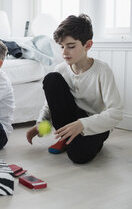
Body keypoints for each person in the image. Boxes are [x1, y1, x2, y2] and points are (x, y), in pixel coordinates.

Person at [26, 14, 123, 164]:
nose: (64, 52)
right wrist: (41, 122)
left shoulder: (102, 70)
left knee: (78, 156)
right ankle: (67, 138)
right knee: (51, 79)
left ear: (88, 45)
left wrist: (83, 124)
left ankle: (74, 141)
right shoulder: (61, 69)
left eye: (71, 46)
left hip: (94, 124)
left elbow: (115, 112)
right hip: (70, 120)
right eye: (62, 47)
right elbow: (49, 105)